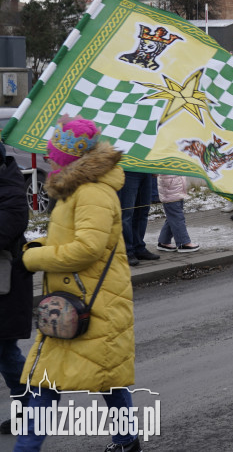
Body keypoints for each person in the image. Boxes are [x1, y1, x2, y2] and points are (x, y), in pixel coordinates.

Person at [17, 116, 141, 452]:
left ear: (69, 158)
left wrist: (34, 259)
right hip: (73, 301)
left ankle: (25, 449)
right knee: (103, 376)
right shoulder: (78, 190)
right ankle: (127, 440)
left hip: (94, 301)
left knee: (66, 379)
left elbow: (87, 248)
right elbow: (72, 237)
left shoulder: (92, 194)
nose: (46, 157)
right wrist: (41, 245)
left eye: (53, 153)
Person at [0, 142, 31, 436]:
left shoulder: (10, 185)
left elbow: (7, 227)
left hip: (5, 286)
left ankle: (29, 404)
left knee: (5, 350)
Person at [117, 170, 158, 267]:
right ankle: (127, 251)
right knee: (126, 215)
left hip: (145, 169)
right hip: (128, 171)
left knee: (142, 211)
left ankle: (139, 248)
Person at [155, 173, 200, 252]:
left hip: (176, 191)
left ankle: (163, 242)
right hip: (170, 193)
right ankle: (183, 243)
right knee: (177, 217)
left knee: (172, 218)